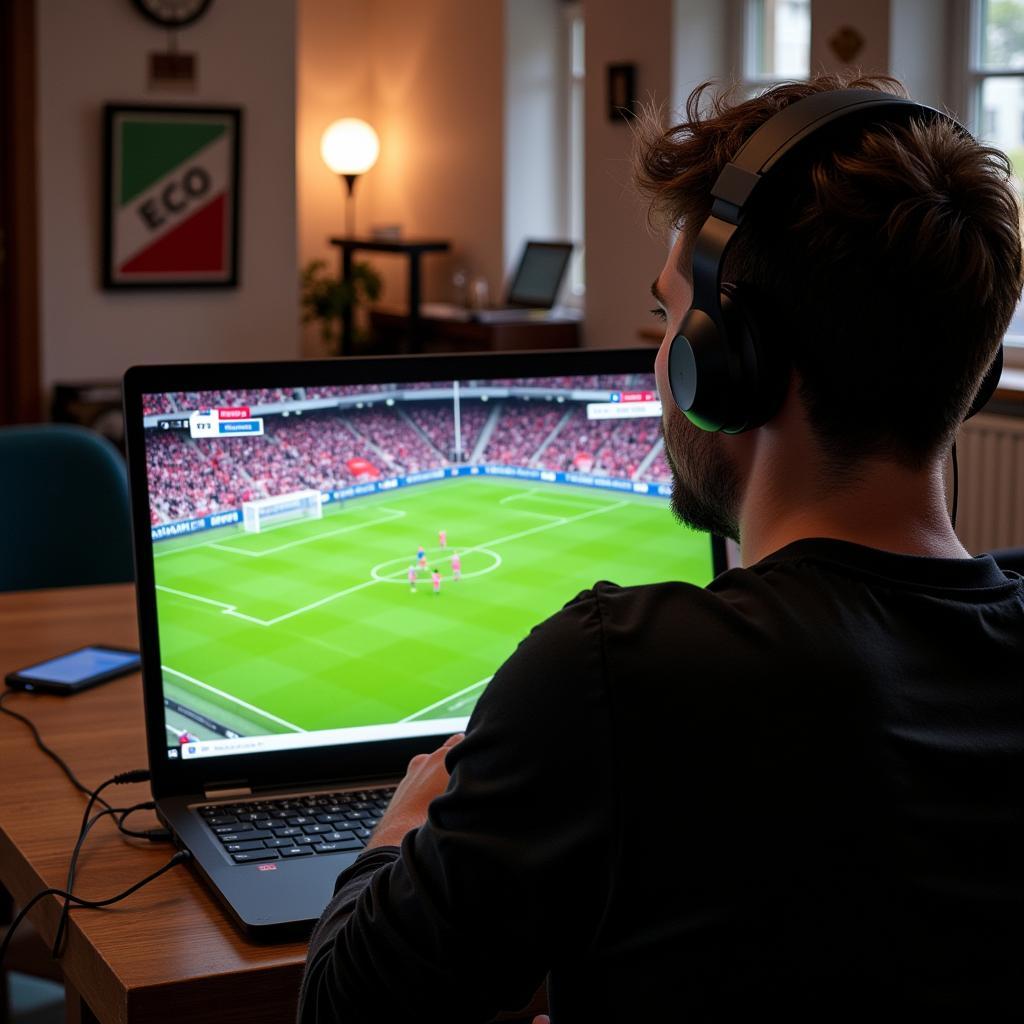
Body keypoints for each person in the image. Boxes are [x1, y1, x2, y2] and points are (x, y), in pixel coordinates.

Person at [298, 74, 1023, 1022]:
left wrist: (396, 833)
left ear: (725, 360)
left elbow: (348, 1013)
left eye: (666, 315)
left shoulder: (614, 673)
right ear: (964, 382)